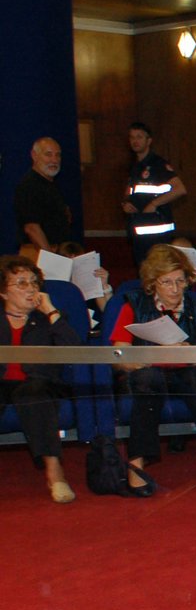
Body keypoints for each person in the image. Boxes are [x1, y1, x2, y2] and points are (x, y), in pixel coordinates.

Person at [109, 244, 196, 494]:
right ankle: (136, 462)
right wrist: (150, 355)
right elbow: (118, 355)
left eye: (180, 281)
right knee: (149, 380)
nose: (175, 289)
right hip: (147, 369)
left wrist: (191, 352)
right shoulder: (133, 305)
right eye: (167, 282)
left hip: (187, 370)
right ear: (152, 283)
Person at [1, 255, 80, 503]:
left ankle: (55, 472)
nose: (31, 288)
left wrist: (51, 311)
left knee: (33, 393)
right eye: (21, 283)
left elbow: (75, 350)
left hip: (38, 382)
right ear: (3, 293)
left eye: (34, 283)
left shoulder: (48, 319)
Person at [123, 123, 187, 269]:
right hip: (138, 228)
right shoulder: (134, 167)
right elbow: (130, 192)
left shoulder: (158, 164)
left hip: (157, 231)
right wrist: (126, 203)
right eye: (132, 137)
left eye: (139, 137)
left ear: (149, 140)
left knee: (158, 270)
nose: (135, 141)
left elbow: (180, 189)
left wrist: (154, 204)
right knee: (142, 271)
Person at [14, 138, 72, 262]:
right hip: (38, 254)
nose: (54, 160)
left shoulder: (50, 184)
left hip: (53, 251)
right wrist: (51, 259)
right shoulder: (30, 186)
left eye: (58, 155)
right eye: (48, 154)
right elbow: (32, 227)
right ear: (34, 155)